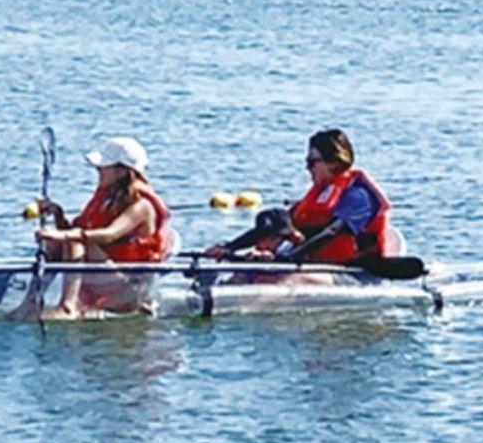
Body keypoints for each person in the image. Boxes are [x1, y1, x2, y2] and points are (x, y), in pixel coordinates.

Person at [205, 129, 397, 282]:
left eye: (312, 162)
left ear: (335, 162)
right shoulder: (318, 193)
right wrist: (229, 247)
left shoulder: (358, 195)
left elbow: (331, 233)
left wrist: (286, 259)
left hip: (352, 272)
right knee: (249, 274)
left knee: (282, 279)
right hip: (313, 265)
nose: (307, 168)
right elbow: (276, 228)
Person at [32, 136, 173, 318]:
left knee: (74, 240)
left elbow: (109, 235)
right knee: (58, 243)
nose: (98, 169)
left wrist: (63, 236)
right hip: (106, 277)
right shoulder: (107, 198)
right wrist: (58, 215)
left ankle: (68, 307)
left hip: (129, 289)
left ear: (122, 171)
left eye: (104, 166)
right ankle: (29, 304)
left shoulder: (142, 206)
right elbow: (75, 232)